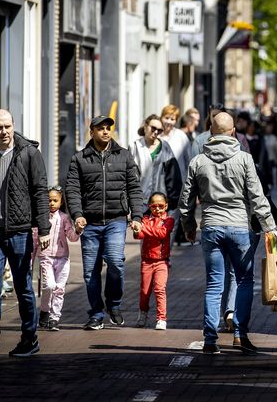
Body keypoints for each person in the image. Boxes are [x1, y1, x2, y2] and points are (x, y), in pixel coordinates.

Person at [179, 112, 277, 355]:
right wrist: (269, 226)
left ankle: (210, 339)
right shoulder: (245, 159)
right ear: (233, 132)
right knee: (244, 280)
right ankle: (240, 334)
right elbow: (257, 195)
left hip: (211, 227)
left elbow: (186, 201)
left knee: (214, 284)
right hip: (240, 227)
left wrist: (189, 227)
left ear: (211, 132)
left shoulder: (198, 161)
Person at [0, 109, 51, 361]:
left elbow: (40, 192)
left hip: (19, 231)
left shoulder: (29, 153)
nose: (3, 132)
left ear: (13, 126)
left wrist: (44, 229)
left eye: (7, 126)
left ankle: (29, 340)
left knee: (23, 287)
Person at [65, 115, 144, 330]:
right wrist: (77, 215)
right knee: (90, 272)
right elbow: (72, 190)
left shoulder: (124, 156)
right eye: (101, 128)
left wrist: (137, 217)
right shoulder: (79, 159)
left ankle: (114, 304)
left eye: (108, 128)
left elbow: (134, 189)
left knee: (117, 262)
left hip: (116, 220)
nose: (106, 131)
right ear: (92, 131)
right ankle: (97, 314)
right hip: (89, 223)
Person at [33, 186, 78, 331]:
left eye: (55, 200)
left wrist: (78, 230)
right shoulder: (41, 218)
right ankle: (45, 311)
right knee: (49, 285)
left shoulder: (64, 218)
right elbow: (35, 239)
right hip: (45, 256)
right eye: (49, 200)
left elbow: (72, 237)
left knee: (59, 289)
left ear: (61, 202)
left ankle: (54, 318)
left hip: (63, 258)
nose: (51, 203)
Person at [133, 192, 174, 330]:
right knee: (145, 291)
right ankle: (143, 313)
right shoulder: (145, 219)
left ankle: (161, 318)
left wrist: (143, 227)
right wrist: (137, 229)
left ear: (166, 206)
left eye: (160, 206)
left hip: (162, 262)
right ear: (149, 207)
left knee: (159, 289)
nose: (157, 209)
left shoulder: (169, 220)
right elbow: (139, 236)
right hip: (146, 261)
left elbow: (162, 233)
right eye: (154, 206)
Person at [128, 115, 182, 211]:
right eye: (153, 128)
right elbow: (129, 178)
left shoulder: (165, 147)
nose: (156, 132)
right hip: (140, 204)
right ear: (145, 126)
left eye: (159, 130)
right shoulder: (134, 147)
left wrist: (171, 203)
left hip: (160, 206)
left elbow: (174, 178)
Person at [159, 104, 192, 180]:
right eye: (166, 118)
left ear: (176, 121)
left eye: (172, 119)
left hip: (178, 181)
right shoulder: (156, 135)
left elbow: (189, 160)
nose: (169, 122)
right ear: (161, 118)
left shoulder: (181, 136)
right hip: (159, 182)